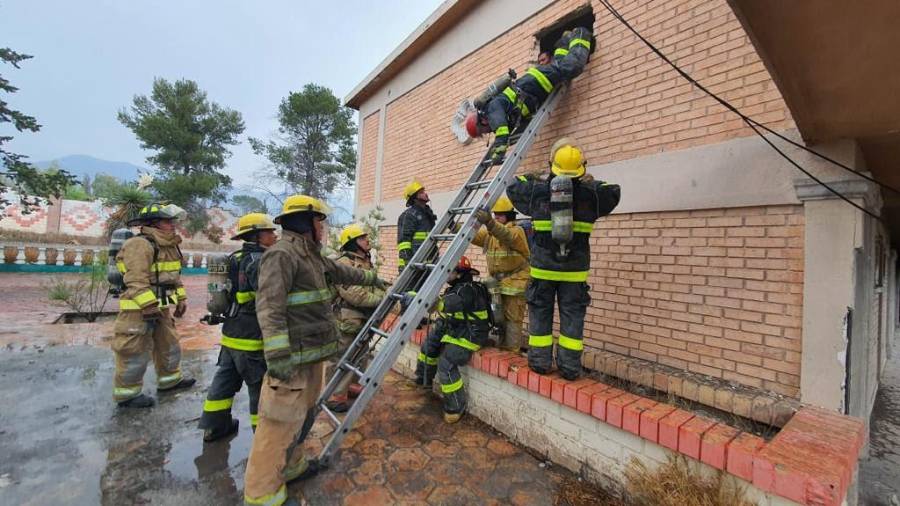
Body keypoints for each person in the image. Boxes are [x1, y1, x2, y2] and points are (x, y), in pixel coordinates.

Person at [243, 195, 386, 506]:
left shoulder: (310, 255)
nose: (323, 226)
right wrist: (278, 357)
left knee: (301, 419)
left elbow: (342, 271)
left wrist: (375, 277)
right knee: (278, 425)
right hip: (291, 361)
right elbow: (269, 309)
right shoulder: (281, 255)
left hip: (312, 356)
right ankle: (262, 494)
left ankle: (292, 467)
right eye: (320, 221)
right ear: (306, 222)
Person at [507, 139, 621, 380]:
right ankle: (569, 368)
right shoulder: (593, 195)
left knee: (540, 315)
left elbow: (514, 186)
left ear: (553, 166)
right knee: (572, 318)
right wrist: (587, 179)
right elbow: (613, 190)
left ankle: (540, 363)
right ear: (581, 168)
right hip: (575, 274)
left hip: (543, 272)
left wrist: (542, 175)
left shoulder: (537, 192)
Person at [198, 213, 278, 441]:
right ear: (258, 235)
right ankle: (262, 435)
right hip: (250, 336)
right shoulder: (260, 261)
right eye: (269, 231)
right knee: (258, 387)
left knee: (224, 381)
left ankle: (214, 426)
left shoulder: (235, 258)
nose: (274, 235)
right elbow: (265, 297)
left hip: (231, 333)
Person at [465, 26, 593, 164]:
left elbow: (501, 132)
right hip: (534, 87)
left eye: (482, 131)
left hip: (536, 82)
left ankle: (580, 33)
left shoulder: (492, 111)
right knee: (560, 64)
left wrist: (499, 152)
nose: (486, 132)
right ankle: (564, 40)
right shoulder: (500, 114)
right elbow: (519, 121)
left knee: (573, 66)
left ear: (481, 121)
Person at [111, 203, 195, 408]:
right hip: (137, 310)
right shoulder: (139, 245)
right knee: (134, 349)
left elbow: (174, 277)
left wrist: (181, 298)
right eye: (168, 221)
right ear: (152, 224)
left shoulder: (169, 245)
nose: (173, 225)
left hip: (161, 307)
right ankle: (127, 394)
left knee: (169, 344)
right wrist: (148, 306)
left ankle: (169, 381)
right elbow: (135, 279)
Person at [413, 256, 491, 424]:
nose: (444, 275)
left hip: (470, 334)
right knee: (429, 345)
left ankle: (455, 406)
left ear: (458, 273)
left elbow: (451, 304)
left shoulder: (468, 289)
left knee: (446, 363)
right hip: (456, 327)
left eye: (448, 271)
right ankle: (423, 378)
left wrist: (429, 302)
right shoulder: (456, 287)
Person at [326, 223, 386, 413]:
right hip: (345, 319)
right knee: (340, 357)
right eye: (362, 238)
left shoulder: (365, 261)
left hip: (363, 318)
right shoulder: (343, 264)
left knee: (360, 354)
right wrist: (381, 301)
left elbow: (375, 286)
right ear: (352, 243)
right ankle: (334, 396)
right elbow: (355, 294)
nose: (367, 240)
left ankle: (350, 386)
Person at [472, 196, 530, 352]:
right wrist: (454, 227)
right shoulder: (491, 234)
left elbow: (506, 235)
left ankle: (512, 353)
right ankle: (502, 351)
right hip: (497, 285)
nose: (496, 217)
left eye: (500, 215)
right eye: (494, 214)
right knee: (498, 319)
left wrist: (489, 222)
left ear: (509, 216)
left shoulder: (516, 231)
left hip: (515, 283)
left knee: (513, 321)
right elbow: (475, 236)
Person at [397, 179, 437, 273]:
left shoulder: (427, 214)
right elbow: (404, 243)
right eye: (421, 192)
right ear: (415, 197)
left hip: (426, 265)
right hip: (412, 266)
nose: (426, 194)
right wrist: (410, 264)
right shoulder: (408, 216)